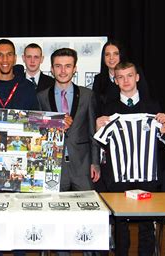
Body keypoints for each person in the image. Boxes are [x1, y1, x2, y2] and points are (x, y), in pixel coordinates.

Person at [95, 62, 165, 256]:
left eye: (129, 76)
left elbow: (163, 141)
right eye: (120, 77)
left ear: (137, 77)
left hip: (147, 174)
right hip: (118, 176)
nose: (125, 80)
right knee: (121, 224)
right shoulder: (108, 109)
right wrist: (98, 126)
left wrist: (164, 128)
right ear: (115, 80)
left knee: (147, 224)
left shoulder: (153, 107)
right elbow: (102, 143)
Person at [37, 48, 100, 192]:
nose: (63, 71)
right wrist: (55, 123)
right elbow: (38, 130)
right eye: (58, 66)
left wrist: (95, 163)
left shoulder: (87, 95)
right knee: (54, 209)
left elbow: (92, 131)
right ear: (52, 69)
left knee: (87, 209)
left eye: (68, 66)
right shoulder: (42, 97)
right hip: (53, 165)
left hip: (82, 165)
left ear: (75, 69)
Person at [91, 39, 150, 109]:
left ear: (121, 55)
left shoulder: (135, 72)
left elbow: (146, 99)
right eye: (107, 54)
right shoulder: (98, 80)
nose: (111, 58)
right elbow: (96, 106)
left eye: (115, 54)